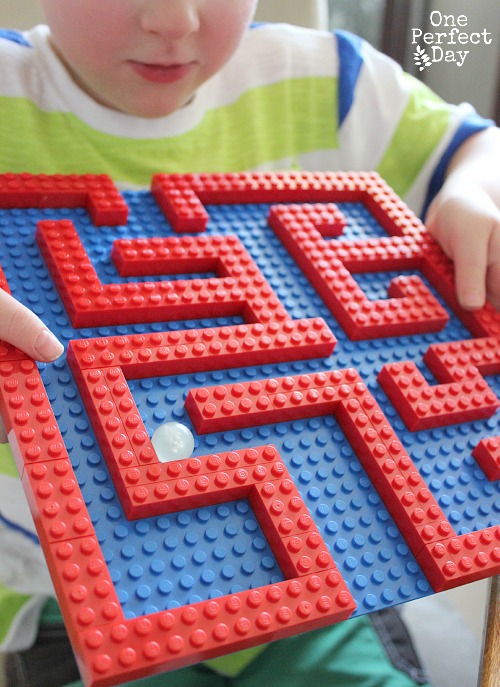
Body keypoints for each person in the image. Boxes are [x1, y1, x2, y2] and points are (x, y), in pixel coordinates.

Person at [0, 1, 499, 686]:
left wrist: (476, 189)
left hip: (315, 559)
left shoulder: (326, 82)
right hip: (63, 594)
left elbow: (478, 143)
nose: (174, 21)